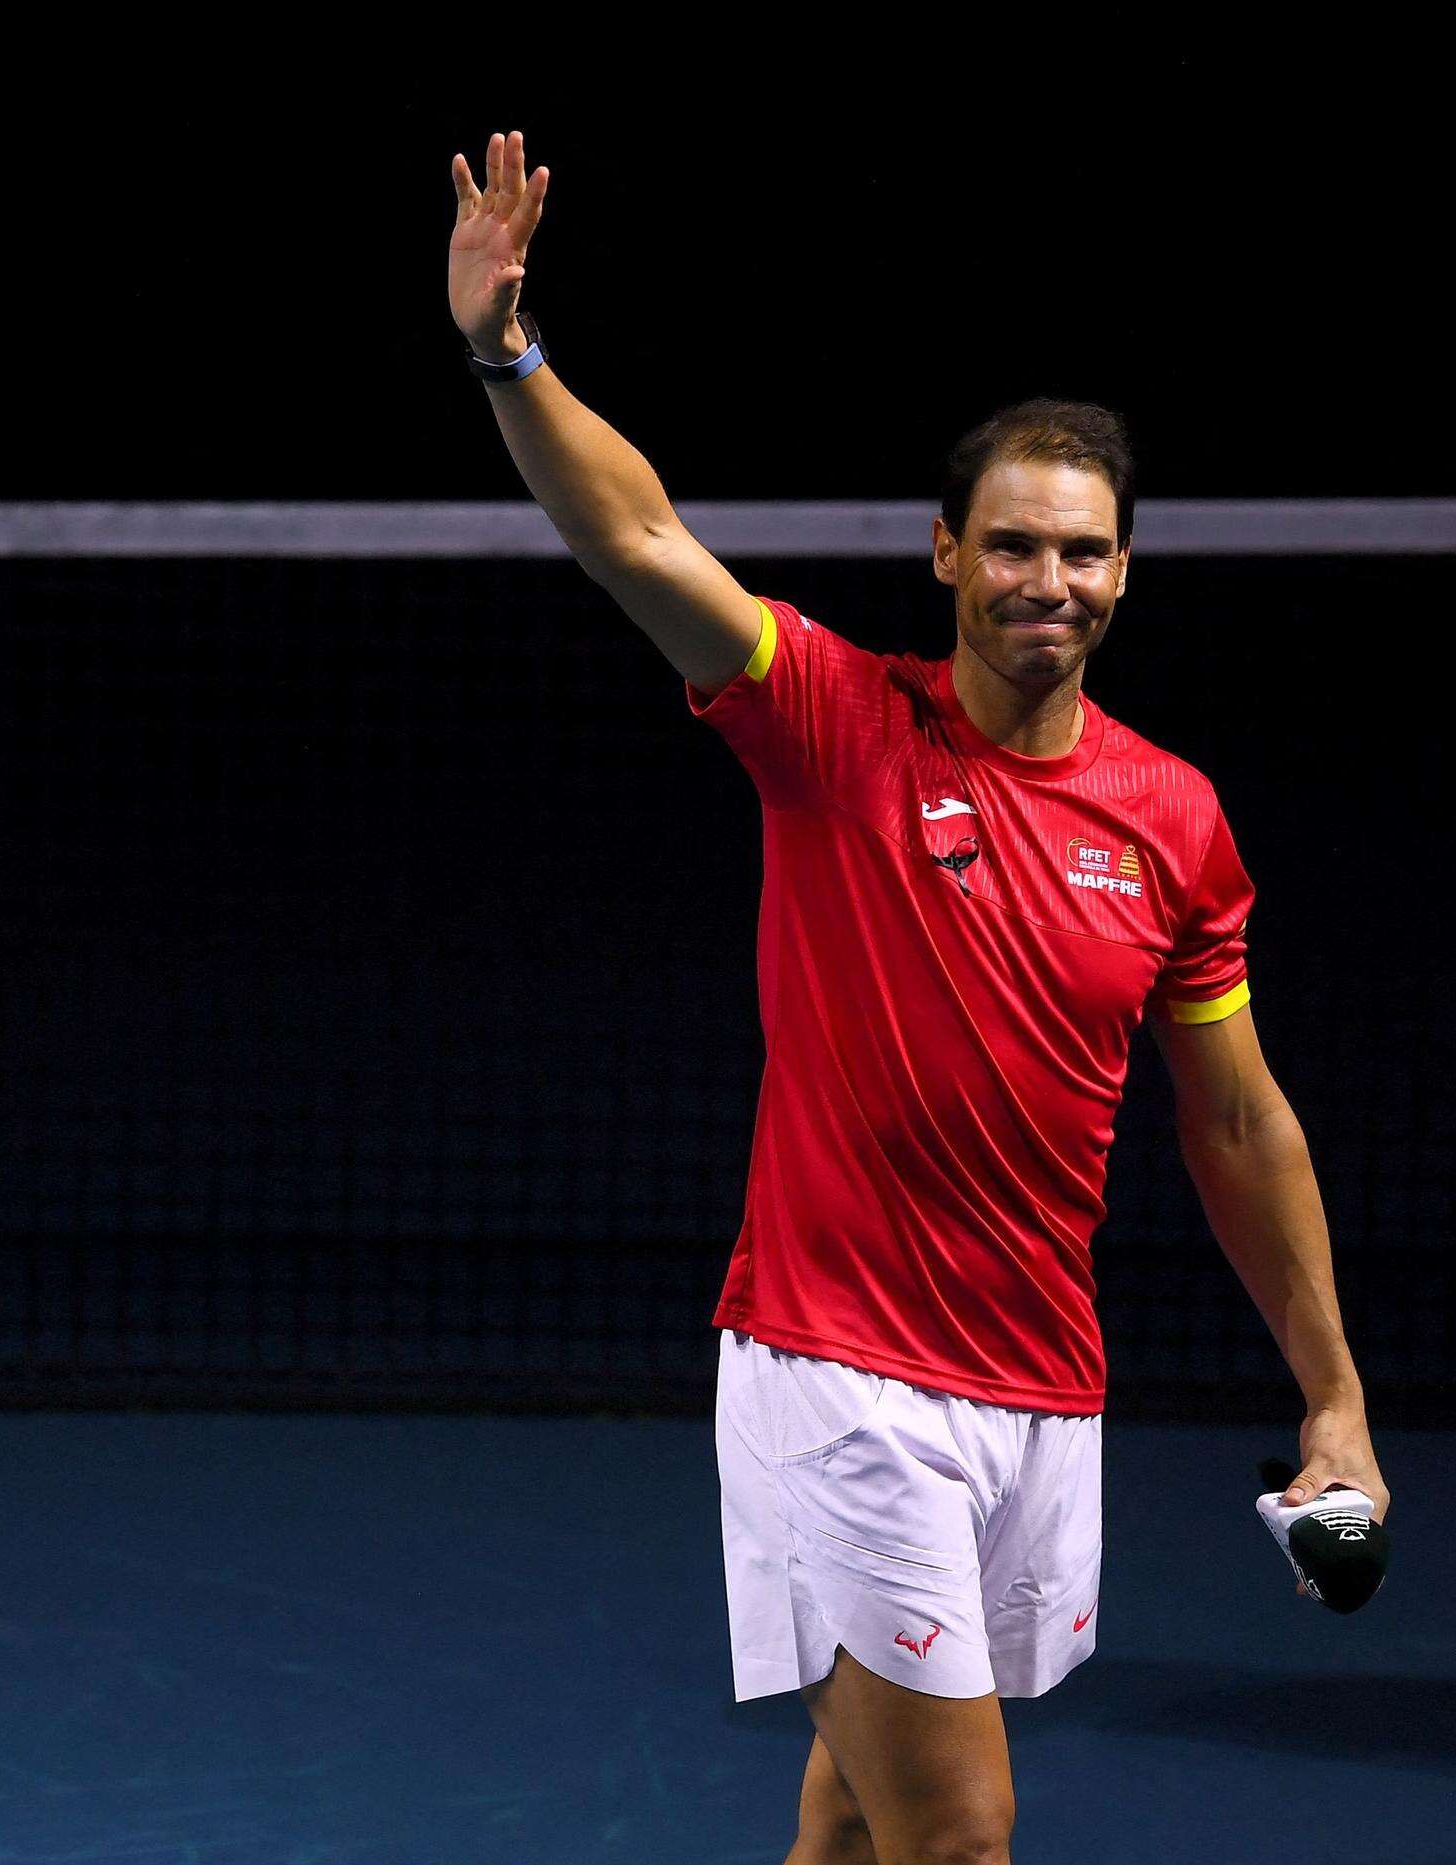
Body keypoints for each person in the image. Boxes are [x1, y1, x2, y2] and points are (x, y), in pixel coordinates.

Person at [447, 130, 1391, 1863]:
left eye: (1086, 553)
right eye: (1016, 546)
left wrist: (1330, 1394)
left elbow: (1239, 1119)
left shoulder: (1175, 818)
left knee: (859, 1833)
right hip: (838, 1372)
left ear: (1126, 574)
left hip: (1038, 1383)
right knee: (961, 1838)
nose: (1052, 581)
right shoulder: (835, 724)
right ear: (945, 555)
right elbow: (637, 534)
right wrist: (510, 354)